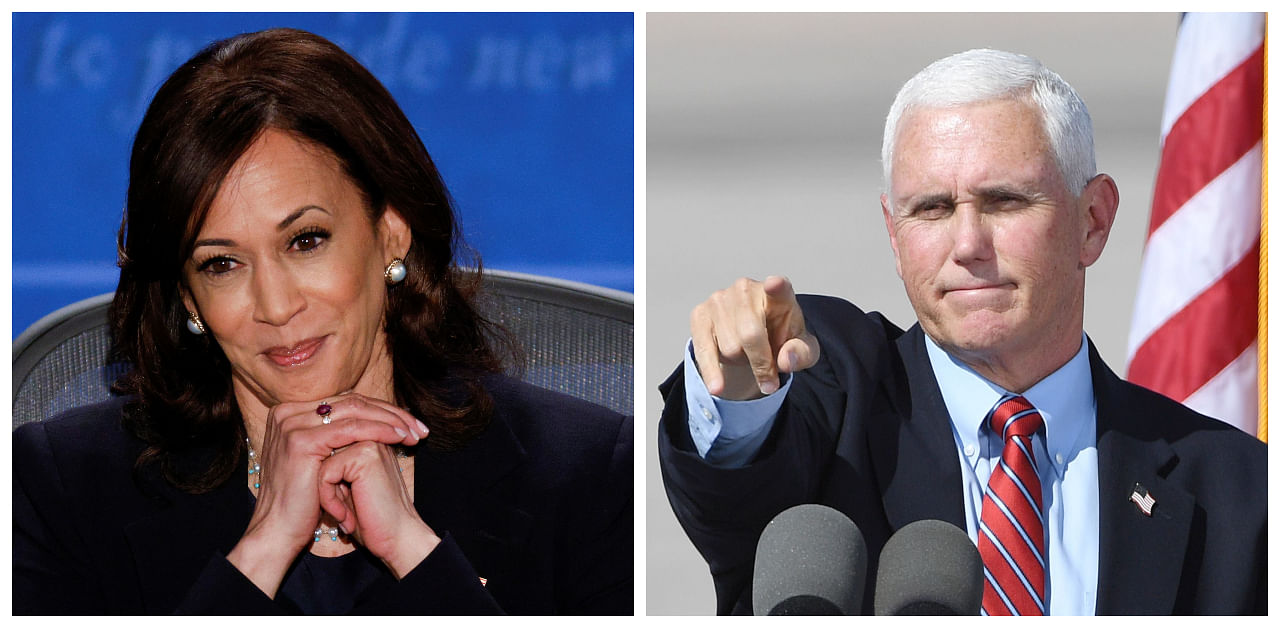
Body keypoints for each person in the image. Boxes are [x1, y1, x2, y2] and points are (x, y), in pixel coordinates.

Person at [14, 28, 632, 615]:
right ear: (188, 296)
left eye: (306, 241)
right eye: (222, 263)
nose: (277, 306)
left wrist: (416, 556)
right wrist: (261, 551)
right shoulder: (58, 490)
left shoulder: (586, 477)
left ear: (390, 232)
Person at [657, 49, 1265, 615]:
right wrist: (740, 391)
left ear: (1093, 220)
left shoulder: (1241, 493)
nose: (968, 246)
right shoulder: (836, 396)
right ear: (895, 237)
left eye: (1004, 201)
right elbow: (733, 498)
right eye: (932, 210)